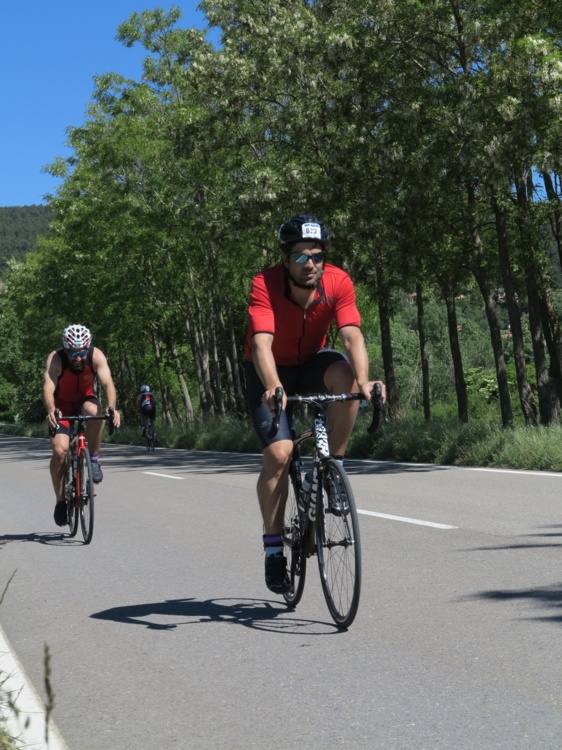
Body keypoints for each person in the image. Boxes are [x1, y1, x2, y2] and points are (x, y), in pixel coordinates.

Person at [244, 213, 386, 593]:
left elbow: (352, 336)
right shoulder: (265, 283)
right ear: (285, 258)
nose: (311, 264)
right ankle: (274, 551)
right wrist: (273, 385)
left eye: (317, 256)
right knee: (280, 454)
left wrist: (365, 381)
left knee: (347, 380)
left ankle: (334, 466)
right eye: (301, 256)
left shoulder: (338, 281)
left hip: (310, 362)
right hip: (269, 370)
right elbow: (261, 344)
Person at [43, 324, 121, 526]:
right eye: (73, 353)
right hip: (62, 407)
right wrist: (51, 409)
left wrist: (112, 408)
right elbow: (48, 386)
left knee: (96, 413)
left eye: (82, 352)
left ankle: (94, 458)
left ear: (88, 348)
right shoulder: (57, 358)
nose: (78, 357)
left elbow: (108, 383)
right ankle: (61, 500)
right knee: (59, 452)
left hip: (85, 400)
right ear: (66, 349)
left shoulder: (96, 356)